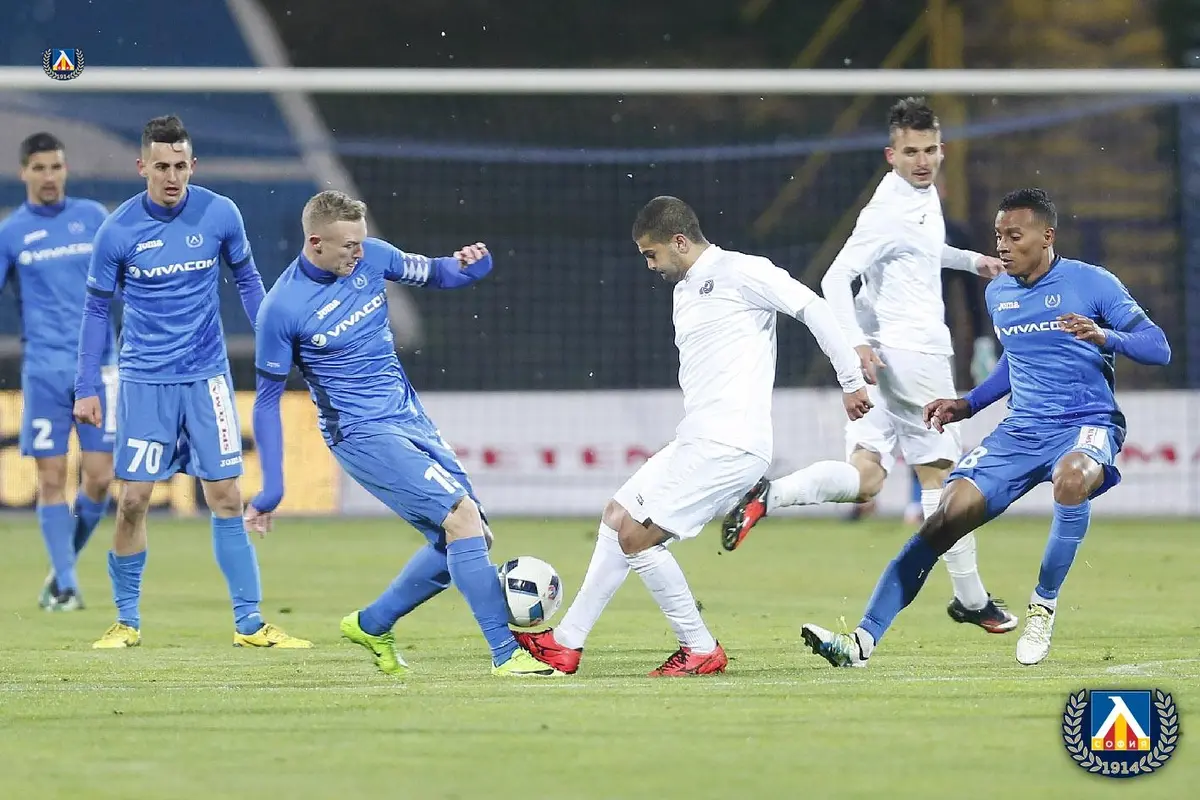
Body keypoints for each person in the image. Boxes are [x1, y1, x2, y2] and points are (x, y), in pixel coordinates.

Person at [801, 187, 1171, 667]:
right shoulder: (999, 293)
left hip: (1086, 422)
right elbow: (1014, 361)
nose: (1003, 246)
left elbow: (1158, 346)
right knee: (945, 517)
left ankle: (1042, 607)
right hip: (1021, 431)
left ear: (1046, 237)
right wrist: (967, 404)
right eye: (998, 236)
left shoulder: (1092, 282)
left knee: (1072, 478)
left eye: (1015, 236)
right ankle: (860, 643)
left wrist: (1106, 336)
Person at [515, 196, 871, 677]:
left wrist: (850, 380)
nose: (649, 265)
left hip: (731, 443)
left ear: (679, 241)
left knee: (638, 538)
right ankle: (565, 643)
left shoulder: (742, 271)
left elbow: (813, 307)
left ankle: (699, 648)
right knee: (617, 516)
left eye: (652, 254)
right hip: (699, 437)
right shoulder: (685, 290)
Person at [720, 97, 1017, 634]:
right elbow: (835, 277)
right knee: (942, 478)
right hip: (913, 353)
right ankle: (972, 599)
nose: (922, 161)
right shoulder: (887, 211)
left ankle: (772, 493)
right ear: (890, 154)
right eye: (911, 152)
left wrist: (971, 261)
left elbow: (920, 250)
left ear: (941, 150)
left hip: (883, 357)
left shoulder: (915, 199)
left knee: (867, 477)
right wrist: (854, 344)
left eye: (929, 150)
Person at [245, 189, 554, 677]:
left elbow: (438, 272)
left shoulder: (373, 257)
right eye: (348, 245)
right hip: (360, 432)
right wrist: (272, 487)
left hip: (408, 416)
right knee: (462, 519)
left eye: (361, 242)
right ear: (316, 242)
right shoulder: (281, 309)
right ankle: (506, 653)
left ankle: (371, 624)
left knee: (470, 535)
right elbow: (266, 402)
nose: (358, 253)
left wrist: (472, 266)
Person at [74, 115, 310, 650]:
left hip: (207, 378)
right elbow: (95, 311)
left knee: (226, 495)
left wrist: (271, 337)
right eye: (162, 167)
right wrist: (86, 385)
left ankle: (249, 624)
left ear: (193, 165)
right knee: (133, 499)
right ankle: (126, 622)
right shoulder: (117, 231)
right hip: (144, 380)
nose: (172, 176)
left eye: (180, 166)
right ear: (142, 167)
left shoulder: (220, 213)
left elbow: (248, 280)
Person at [0, 132, 115, 611]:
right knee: (51, 478)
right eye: (40, 168)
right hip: (44, 370)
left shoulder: (94, 217)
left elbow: (125, 279)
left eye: (56, 167)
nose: (49, 177)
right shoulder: (10, 233)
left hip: (99, 367)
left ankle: (59, 570)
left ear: (66, 170)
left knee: (100, 478)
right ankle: (67, 585)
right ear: (24, 172)